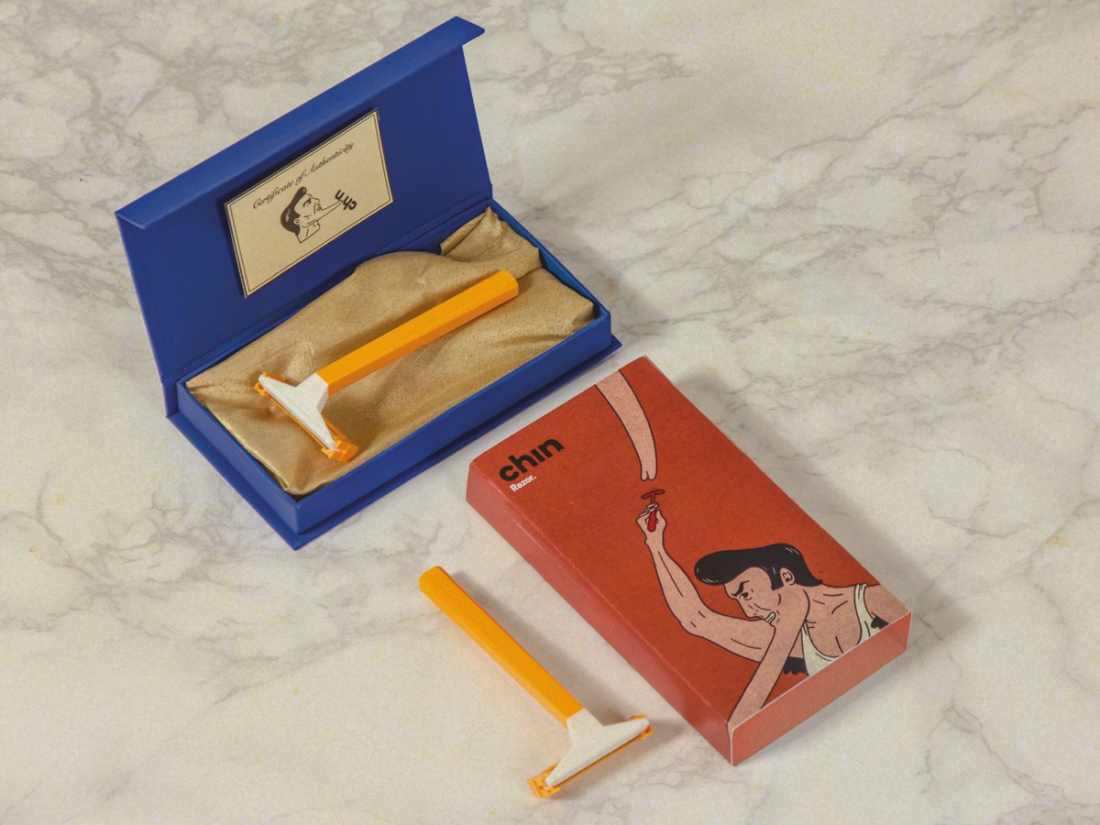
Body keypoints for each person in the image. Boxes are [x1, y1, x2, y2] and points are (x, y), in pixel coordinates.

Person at [636, 503, 906, 738]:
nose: (748, 611)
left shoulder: (872, 602)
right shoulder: (789, 638)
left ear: (786, 577)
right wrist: (656, 545)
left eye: (746, 593)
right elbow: (697, 620)